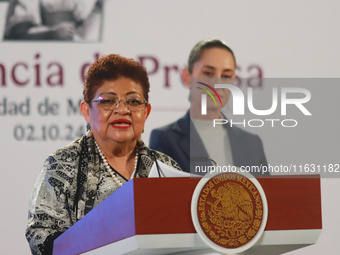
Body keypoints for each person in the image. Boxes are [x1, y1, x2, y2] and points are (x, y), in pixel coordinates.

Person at [25, 54, 182, 255]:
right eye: (108, 101)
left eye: (133, 101)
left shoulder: (166, 168)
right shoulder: (62, 165)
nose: (123, 109)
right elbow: (40, 236)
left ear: (146, 112)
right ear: (86, 111)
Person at [149, 39, 268, 175]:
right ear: (187, 77)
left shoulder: (252, 143)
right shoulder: (165, 139)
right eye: (208, 73)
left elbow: (266, 195)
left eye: (226, 76)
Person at [4, 0, 103, 41]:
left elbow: (81, 34)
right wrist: (51, 33)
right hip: (35, 64)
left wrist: (97, 9)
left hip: (65, 63)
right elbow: (16, 34)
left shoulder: (73, 3)